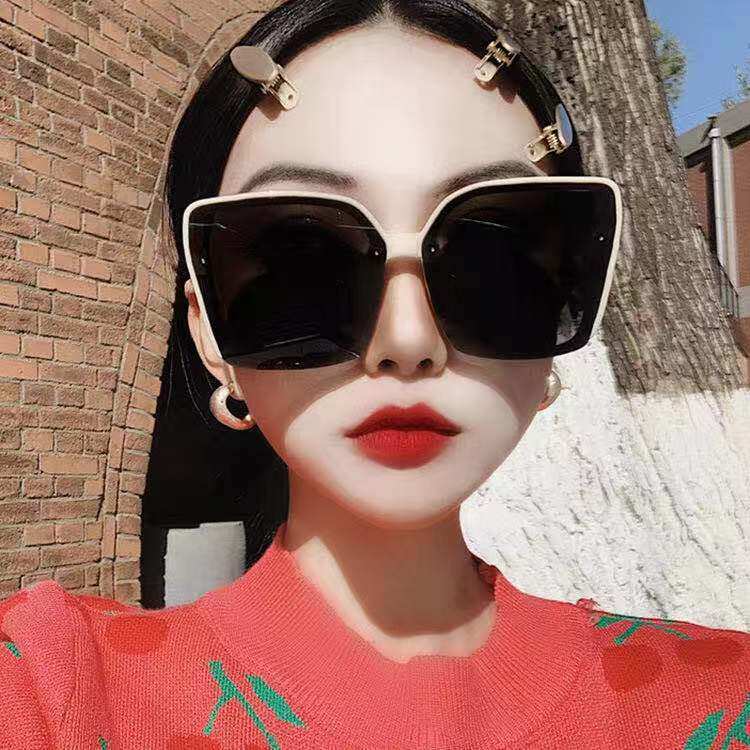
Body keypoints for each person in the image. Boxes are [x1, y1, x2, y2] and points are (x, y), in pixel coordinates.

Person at [2, 0, 749, 748]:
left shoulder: (721, 701)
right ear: (209, 333)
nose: (408, 341)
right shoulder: (57, 686)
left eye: (490, 259)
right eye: (302, 261)